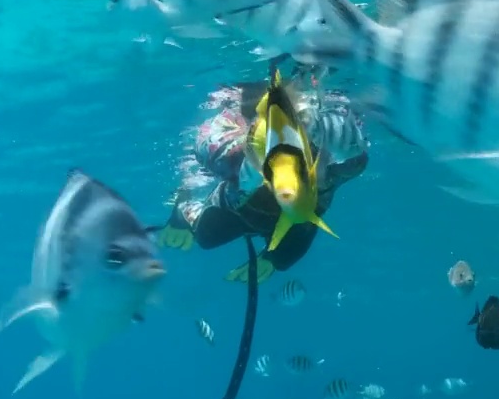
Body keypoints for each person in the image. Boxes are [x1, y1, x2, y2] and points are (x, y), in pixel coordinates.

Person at [155, 69, 370, 283]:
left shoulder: (341, 156)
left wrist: (275, 257)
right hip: (238, 209)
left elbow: (320, 202)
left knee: (288, 254)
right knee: (206, 236)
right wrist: (184, 208)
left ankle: (275, 255)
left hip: (296, 216)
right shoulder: (232, 145)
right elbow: (204, 148)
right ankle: (187, 209)